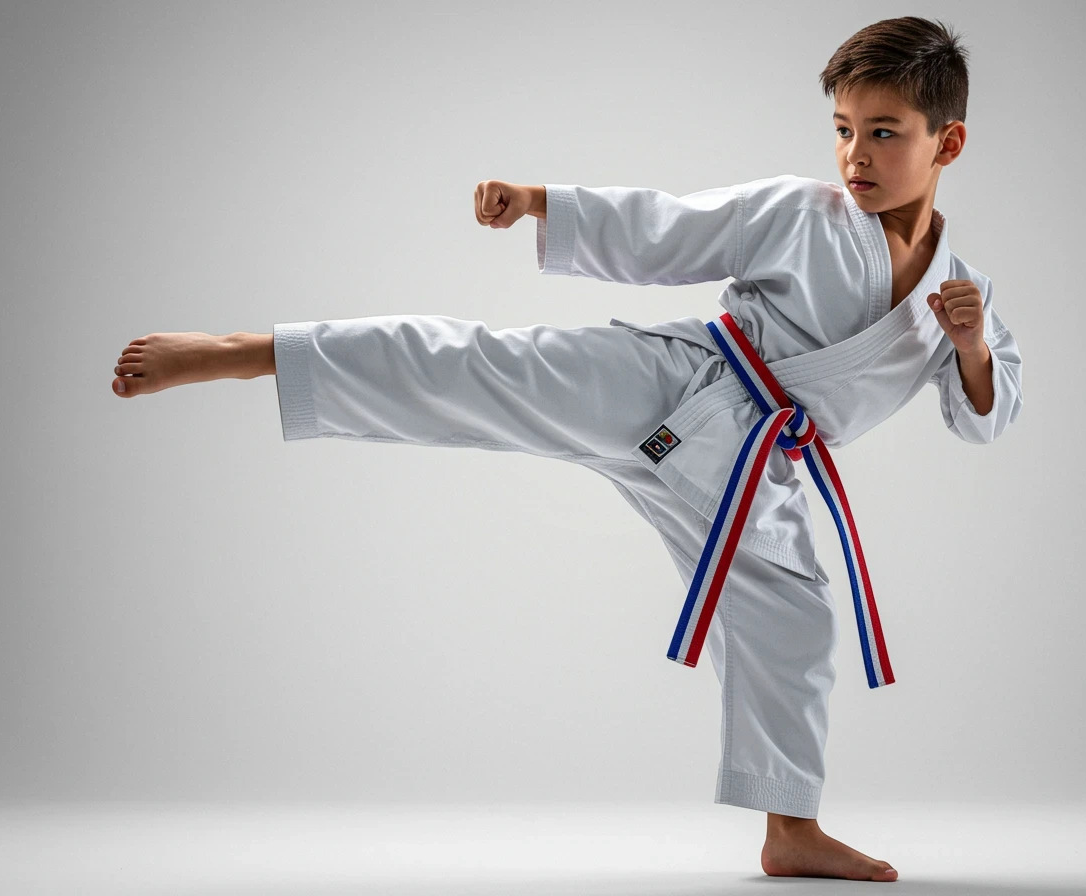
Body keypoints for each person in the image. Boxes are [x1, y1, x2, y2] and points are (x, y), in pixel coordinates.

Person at [108, 16, 1023, 883]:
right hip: (678, 387)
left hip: (754, 474)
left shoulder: (959, 296)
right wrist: (539, 202)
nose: (855, 156)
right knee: (481, 369)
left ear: (948, 144)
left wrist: (973, 346)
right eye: (842, 129)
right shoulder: (802, 213)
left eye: (885, 132)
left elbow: (983, 416)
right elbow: (669, 226)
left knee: (797, 623)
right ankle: (248, 353)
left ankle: (790, 830)